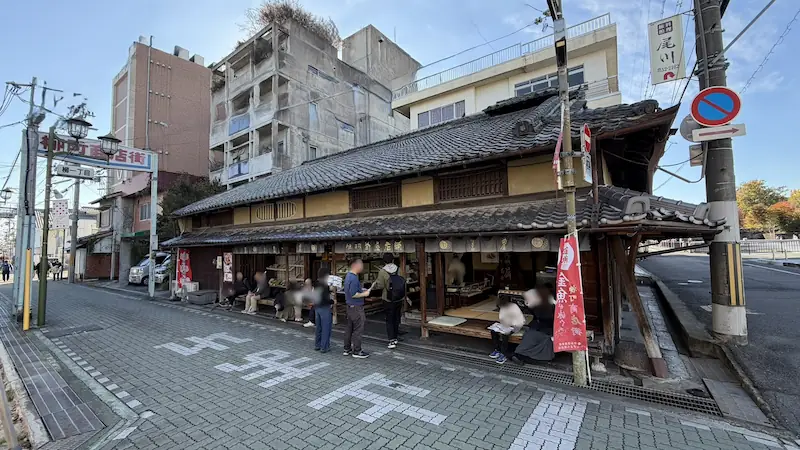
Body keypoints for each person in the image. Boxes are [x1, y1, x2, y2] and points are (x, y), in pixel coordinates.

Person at [371, 253, 405, 349]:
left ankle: (392, 340)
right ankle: (396, 336)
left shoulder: (382, 271)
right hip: (399, 298)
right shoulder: (398, 269)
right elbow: (403, 280)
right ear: (393, 260)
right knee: (397, 317)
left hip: (388, 298)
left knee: (389, 319)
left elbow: (380, 286)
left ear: (384, 261)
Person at [343, 259, 371, 358]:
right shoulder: (354, 278)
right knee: (358, 329)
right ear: (355, 265)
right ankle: (357, 351)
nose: (362, 266)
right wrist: (365, 293)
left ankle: (347, 349)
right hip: (356, 307)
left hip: (349, 307)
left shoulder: (348, 276)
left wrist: (361, 290)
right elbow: (354, 294)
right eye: (361, 264)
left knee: (349, 328)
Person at [490, 296, 525, 364]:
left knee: (505, 334)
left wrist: (511, 326)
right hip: (505, 325)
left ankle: (504, 353)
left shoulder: (514, 307)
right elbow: (501, 318)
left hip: (515, 325)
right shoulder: (502, 307)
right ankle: (497, 349)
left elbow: (521, 320)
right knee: (493, 331)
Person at [312, 267, 335, 352]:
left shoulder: (316, 283)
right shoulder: (324, 285)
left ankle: (317, 345)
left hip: (317, 307)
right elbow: (325, 299)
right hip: (324, 307)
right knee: (326, 327)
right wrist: (332, 301)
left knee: (319, 327)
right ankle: (324, 347)